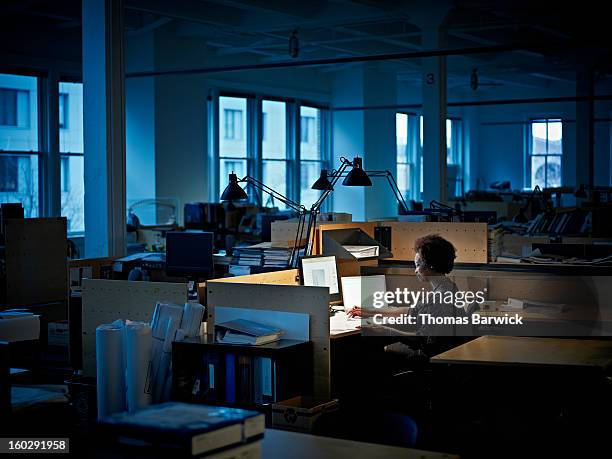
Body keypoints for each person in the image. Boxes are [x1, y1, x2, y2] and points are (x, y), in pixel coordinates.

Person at [347, 234, 463, 355]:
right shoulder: (446, 287)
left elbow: (421, 339)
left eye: (418, 265)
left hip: (430, 356)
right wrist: (370, 311)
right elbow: (411, 311)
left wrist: (385, 330)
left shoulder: (440, 298)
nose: (415, 270)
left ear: (431, 266)